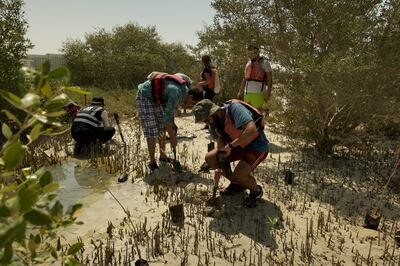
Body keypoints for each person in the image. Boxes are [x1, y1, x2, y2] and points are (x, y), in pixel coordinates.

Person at [192, 99, 269, 208]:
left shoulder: (234, 109)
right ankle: (237, 184)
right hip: (237, 146)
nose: (205, 122)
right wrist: (219, 165)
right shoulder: (214, 122)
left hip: (256, 146)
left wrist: (231, 146)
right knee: (210, 159)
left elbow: (251, 130)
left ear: (212, 113)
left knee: (239, 175)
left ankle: (256, 190)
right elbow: (220, 141)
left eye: (205, 119)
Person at [136, 72, 203, 172]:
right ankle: (152, 163)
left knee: (161, 129)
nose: (191, 106)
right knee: (152, 131)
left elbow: (169, 113)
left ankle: (163, 156)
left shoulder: (184, 91)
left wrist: (173, 125)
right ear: (191, 97)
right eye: (193, 103)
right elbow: (166, 120)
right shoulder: (177, 94)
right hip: (145, 96)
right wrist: (173, 138)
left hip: (156, 99)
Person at [237, 44, 273, 110]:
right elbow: (244, 78)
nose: (250, 55)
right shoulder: (248, 63)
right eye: (249, 53)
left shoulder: (265, 63)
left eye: (252, 53)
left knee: (257, 114)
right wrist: (240, 91)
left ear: (256, 52)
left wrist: (268, 93)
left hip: (258, 93)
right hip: (247, 93)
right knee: (247, 114)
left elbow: (270, 80)